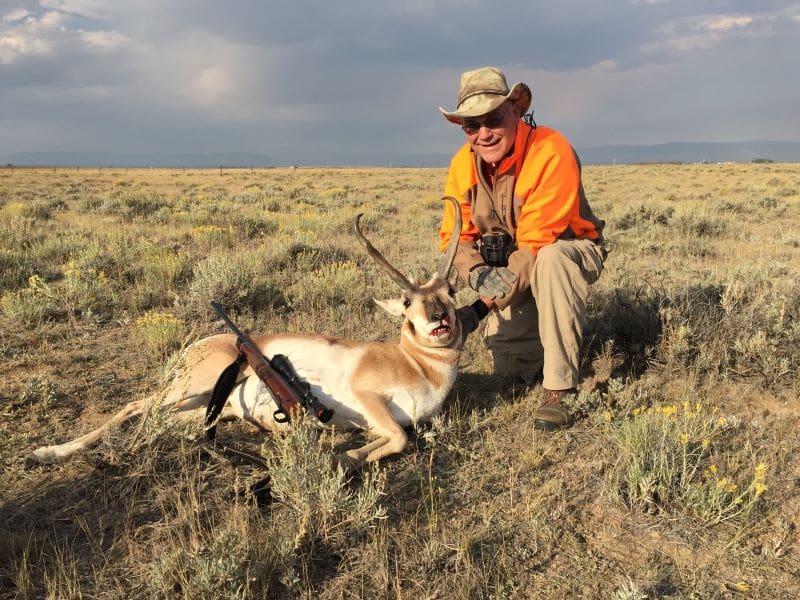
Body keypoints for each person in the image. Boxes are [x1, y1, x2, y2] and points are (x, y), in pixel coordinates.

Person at [441, 66, 607, 432]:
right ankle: (548, 332)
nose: (483, 134)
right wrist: (476, 272)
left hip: (565, 251)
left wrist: (480, 308)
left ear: (516, 110)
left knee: (551, 260)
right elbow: (454, 237)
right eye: (471, 125)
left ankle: (560, 390)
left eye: (493, 120)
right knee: (512, 370)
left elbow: (536, 242)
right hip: (510, 269)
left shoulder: (550, 149)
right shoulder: (461, 165)